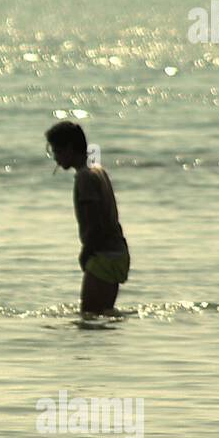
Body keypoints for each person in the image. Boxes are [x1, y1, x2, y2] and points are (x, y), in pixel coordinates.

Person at [44, 121, 130, 314]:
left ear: (69, 148)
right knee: (104, 317)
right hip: (118, 253)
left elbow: (94, 223)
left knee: (89, 318)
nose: (56, 158)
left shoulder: (85, 178)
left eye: (57, 151)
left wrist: (86, 252)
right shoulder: (98, 171)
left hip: (102, 257)